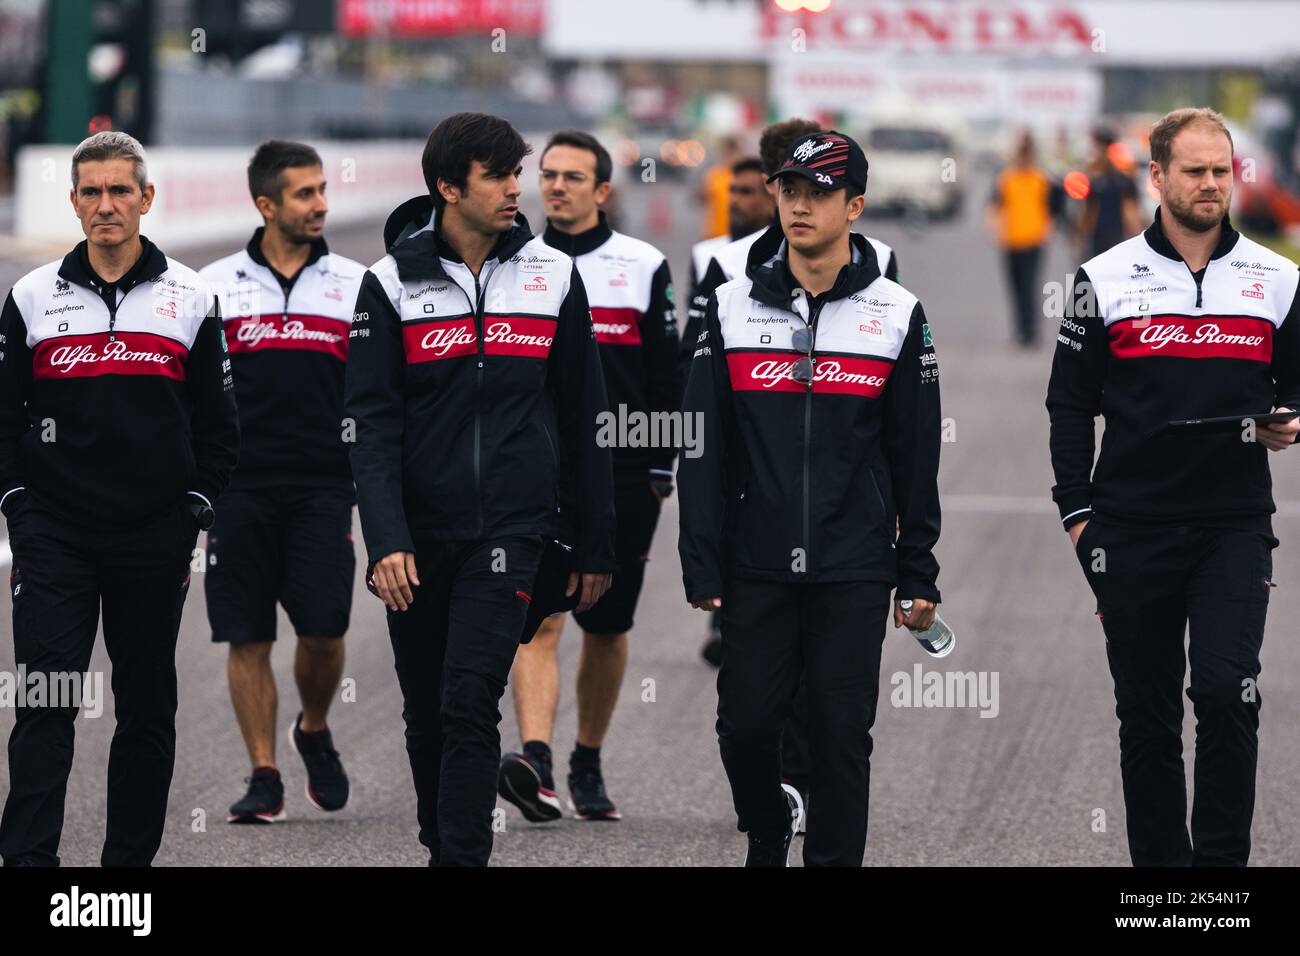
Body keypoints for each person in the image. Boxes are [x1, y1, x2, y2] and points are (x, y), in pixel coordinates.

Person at [345, 113, 615, 866]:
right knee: (428, 713)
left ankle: (458, 858)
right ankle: (444, 838)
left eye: (516, 173)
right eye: (498, 176)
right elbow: (369, 425)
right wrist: (387, 539)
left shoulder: (552, 275)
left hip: (511, 533)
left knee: (470, 702)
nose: (516, 190)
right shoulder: (388, 283)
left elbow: (585, 414)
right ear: (447, 187)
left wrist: (595, 541)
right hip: (417, 539)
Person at [679, 130, 943, 866]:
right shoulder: (728, 306)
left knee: (839, 736)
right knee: (747, 729)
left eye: (820, 193)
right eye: (790, 190)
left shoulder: (897, 313)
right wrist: (701, 558)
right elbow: (702, 446)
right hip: (754, 559)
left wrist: (917, 571)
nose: (800, 205)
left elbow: (916, 456)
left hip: (854, 562)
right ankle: (769, 822)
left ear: (855, 205)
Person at [1047, 107, 1300, 867]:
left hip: (1233, 525)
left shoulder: (1279, 279)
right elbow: (1068, 406)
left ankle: (1219, 882)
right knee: (1147, 717)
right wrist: (1078, 516)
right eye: (1194, 171)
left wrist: (1289, 422)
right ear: (1156, 176)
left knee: (1228, 694)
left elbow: (1292, 391)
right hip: (1129, 528)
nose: (1211, 184)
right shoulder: (1101, 278)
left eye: (1221, 170)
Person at [0, 131, 239, 866]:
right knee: (46, 703)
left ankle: (125, 874)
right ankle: (29, 864)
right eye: (92, 192)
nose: (107, 205)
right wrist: (20, 510)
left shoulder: (192, 297)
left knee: (146, 712)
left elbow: (219, 429)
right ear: (73, 202)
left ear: (146, 198)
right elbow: (5, 422)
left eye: (120, 191)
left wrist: (192, 509)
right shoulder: (31, 296)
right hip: (56, 538)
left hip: (152, 538)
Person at [496, 130, 680, 824]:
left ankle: (587, 759)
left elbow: (670, 371)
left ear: (603, 190)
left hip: (628, 470)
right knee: (538, 619)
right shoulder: (515, 261)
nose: (556, 187)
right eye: (548, 175)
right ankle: (537, 761)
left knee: (605, 625)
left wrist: (665, 463)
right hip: (540, 473)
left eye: (574, 177)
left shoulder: (643, 264)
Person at [200, 141, 366, 824]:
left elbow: (378, 395)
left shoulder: (359, 284)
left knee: (325, 632)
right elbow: (193, 396)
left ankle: (315, 729)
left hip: (325, 486)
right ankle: (263, 772)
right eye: (304, 193)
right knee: (247, 635)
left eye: (323, 189)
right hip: (238, 490)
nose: (321, 203)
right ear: (265, 204)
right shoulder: (209, 285)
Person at [986, 131, 1063, 347]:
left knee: (1029, 285)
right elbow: (994, 204)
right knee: (1015, 286)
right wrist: (993, 227)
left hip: (1033, 239)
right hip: (1011, 239)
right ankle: (1021, 328)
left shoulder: (1042, 179)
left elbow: (1055, 207)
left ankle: (1030, 330)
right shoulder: (1007, 178)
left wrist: (1049, 228)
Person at [688, 156, 774, 311]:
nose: (734, 199)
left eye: (746, 192)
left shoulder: (784, 257)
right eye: (732, 190)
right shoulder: (703, 253)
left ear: (771, 201)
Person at [1078, 125, 1142, 258]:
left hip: (1112, 234)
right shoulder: (1098, 175)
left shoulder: (1107, 176)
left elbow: (1129, 209)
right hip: (1106, 233)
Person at [698, 135, 742, 240]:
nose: (730, 156)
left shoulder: (741, 176)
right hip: (714, 233)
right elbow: (702, 198)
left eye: (732, 152)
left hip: (736, 233)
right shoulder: (713, 174)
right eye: (727, 152)